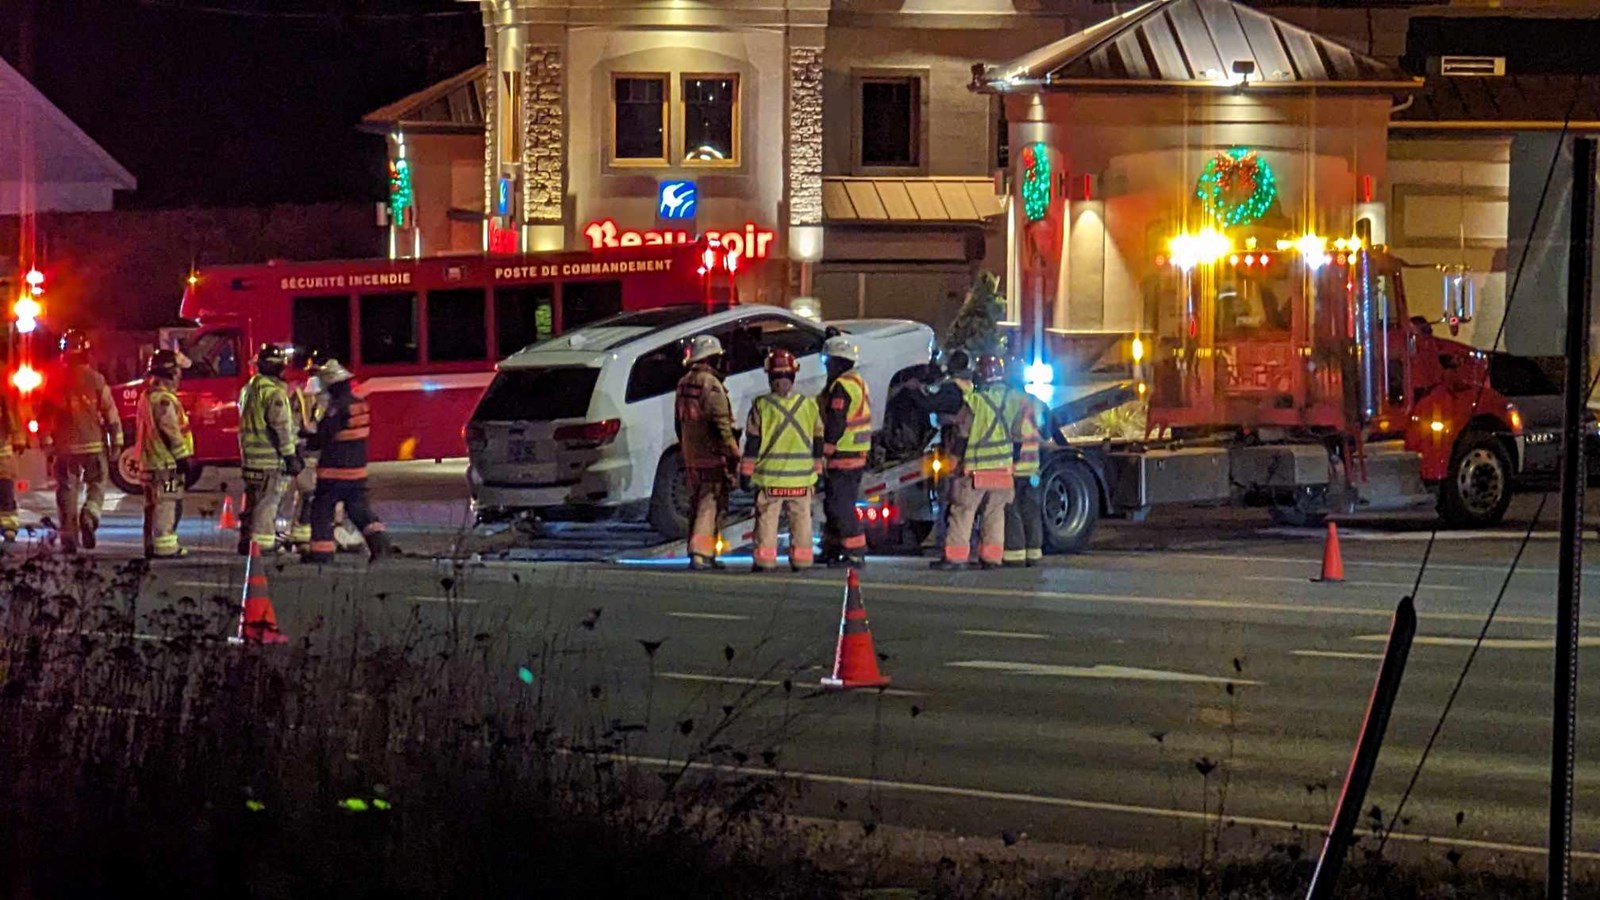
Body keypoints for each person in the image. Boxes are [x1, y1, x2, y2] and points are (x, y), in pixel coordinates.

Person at [932, 354, 1018, 571]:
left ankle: (956, 558)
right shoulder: (1011, 401)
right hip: (1003, 468)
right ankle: (992, 558)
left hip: (977, 470)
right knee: (995, 513)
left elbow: (963, 434)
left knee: (963, 511)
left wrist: (953, 461)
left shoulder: (975, 402)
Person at [740, 349, 823, 573]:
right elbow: (818, 441)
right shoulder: (809, 405)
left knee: (767, 520)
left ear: (770, 377)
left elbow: (753, 444)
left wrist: (746, 474)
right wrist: (819, 472)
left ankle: (765, 561)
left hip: (771, 479)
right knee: (802, 520)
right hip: (801, 480)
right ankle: (802, 560)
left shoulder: (761, 405)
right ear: (793, 376)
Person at [39, 330, 122, 552]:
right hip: (93, 444)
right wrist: (116, 443)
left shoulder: (54, 380)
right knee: (97, 482)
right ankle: (90, 514)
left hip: (64, 447)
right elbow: (111, 414)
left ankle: (69, 538)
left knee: (66, 490)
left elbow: (44, 416)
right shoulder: (96, 379)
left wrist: (46, 442)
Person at [303, 360, 391, 563]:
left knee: (322, 509)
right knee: (359, 510)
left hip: (334, 471)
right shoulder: (360, 404)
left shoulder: (336, 408)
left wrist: (308, 440)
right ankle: (380, 545)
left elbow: (324, 436)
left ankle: (321, 553)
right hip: (357, 470)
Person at [674, 334, 740, 570]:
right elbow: (721, 423)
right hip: (712, 454)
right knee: (709, 503)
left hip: (691, 453)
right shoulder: (711, 385)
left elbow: (678, 423)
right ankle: (701, 553)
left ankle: (705, 552)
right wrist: (733, 451)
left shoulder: (683, 383)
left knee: (697, 502)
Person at [237, 344, 303, 554]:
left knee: (253, 501)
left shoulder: (248, 390)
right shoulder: (274, 393)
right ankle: (262, 543)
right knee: (268, 501)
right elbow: (281, 428)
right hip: (269, 459)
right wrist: (290, 456)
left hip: (250, 459)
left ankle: (246, 539)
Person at [818, 334, 873, 568]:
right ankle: (833, 547)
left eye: (827, 361)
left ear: (836, 361)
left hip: (844, 454)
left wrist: (825, 450)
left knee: (840, 505)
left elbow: (836, 421)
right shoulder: (857, 381)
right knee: (834, 503)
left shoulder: (841, 386)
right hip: (855, 453)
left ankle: (855, 552)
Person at [136, 350, 194, 559]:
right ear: (170, 373)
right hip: (166, 466)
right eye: (178, 371)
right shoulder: (164, 400)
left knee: (152, 505)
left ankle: (151, 545)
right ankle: (165, 546)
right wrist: (182, 457)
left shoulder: (147, 396)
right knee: (167, 503)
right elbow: (169, 429)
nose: (180, 375)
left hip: (149, 463)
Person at [1003, 370, 1047, 567]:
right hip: (1033, 469)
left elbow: (1008, 433)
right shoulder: (1036, 402)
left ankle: (1015, 554)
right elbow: (1048, 431)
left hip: (1013, 468)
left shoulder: (1008, 402)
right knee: (1032, 510)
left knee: (1012, 511)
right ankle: (1034, 553)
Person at [284, 349, 324, 552]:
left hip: (304, 448)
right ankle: (302, 532)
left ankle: (301, 531)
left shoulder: (299, 393)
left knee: (306, 492)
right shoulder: (319, 396)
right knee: (309, 492)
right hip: (308, 448)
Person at [0, 380, 25, 543]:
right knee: (5, 490)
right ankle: (9, 527)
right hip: (2, 454)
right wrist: (19, 439)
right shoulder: (5, 388)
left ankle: (8, 526)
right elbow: (12, 415)